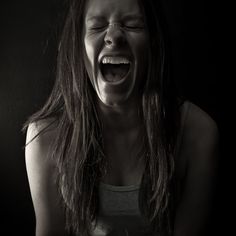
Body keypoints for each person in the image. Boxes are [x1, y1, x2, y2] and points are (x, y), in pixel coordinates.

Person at [24, 0, 219, 235]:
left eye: (133, 25)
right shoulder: (45, 139)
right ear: (77, 46)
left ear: (153, 44)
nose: (114, 35)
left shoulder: (197, 134)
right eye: (96, 26)